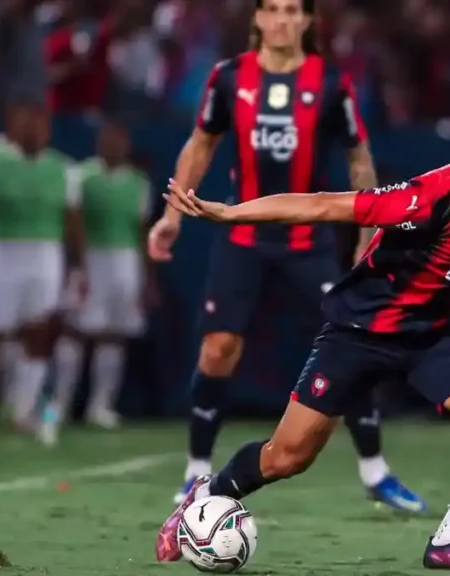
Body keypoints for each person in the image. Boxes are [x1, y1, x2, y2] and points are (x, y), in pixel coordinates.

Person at [156, 125, 450, 572]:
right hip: (357, 333)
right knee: (287, 457)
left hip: (428, 336)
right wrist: (231, 214)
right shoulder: (428, 197)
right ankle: (208, 494)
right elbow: (324, 205)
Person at [147, 0, 424, 511]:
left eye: (291, 10)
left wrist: (366, 235)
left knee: (351, 347)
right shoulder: (229, 78)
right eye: (271, 9)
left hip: (308, 243)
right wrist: (171, 216)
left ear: (306, 21)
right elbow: (200, 144)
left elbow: (358, 156)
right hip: (244, 239)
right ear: (257, 18)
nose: (281, 19)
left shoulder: (330, 82)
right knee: (218, 348)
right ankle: (196, 473)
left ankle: (375, 473)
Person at [0, 98, 84, 453]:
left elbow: (72, 224)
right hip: (1, 252)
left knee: (39, 334)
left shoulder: (65, 169)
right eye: (30, 121)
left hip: (45, 255)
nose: (37, 130)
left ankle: (22, 413)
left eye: (43, 123)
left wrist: (78, 268)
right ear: (13, 122)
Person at [43, 117, 156, 443]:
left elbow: (141, 231)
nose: (114, 145)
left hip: (125, 263)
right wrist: (77, 265)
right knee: (75, 331)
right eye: (108, 139)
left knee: (115, 334)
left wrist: (148, 276)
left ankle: (100, 407)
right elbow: (72, 223)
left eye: (119, 139)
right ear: (99, 142)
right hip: (92, 259)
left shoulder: (139, 182)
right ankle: (58, 406)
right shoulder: (80, 176)